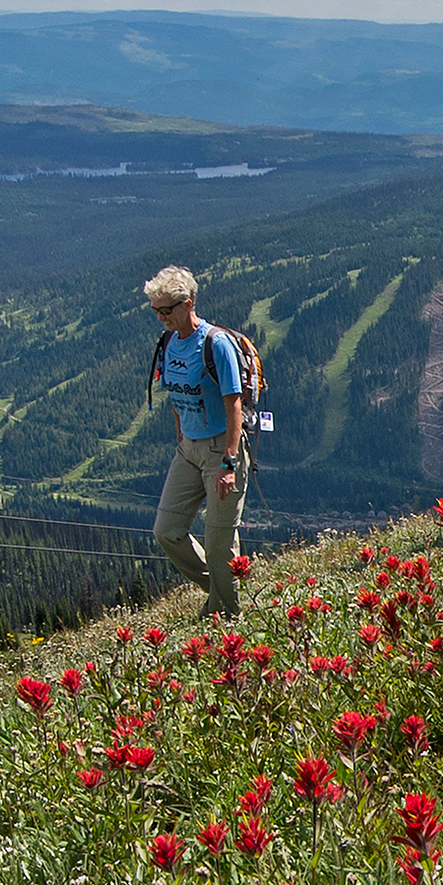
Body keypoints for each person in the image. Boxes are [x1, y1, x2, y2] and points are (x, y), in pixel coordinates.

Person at [142, 264, 244, 619]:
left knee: (219, 546)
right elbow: (174, 394)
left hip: (220, 450)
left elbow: (234, 405)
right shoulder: (169, 342)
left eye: (166, 310)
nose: (161, 318)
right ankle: (221, 591)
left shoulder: (217, 344)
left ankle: (228, 617)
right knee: (167, 531)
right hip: (188, 449)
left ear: (189, 303)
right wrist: (181, 436)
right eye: (156, 310)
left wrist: (229, 463)